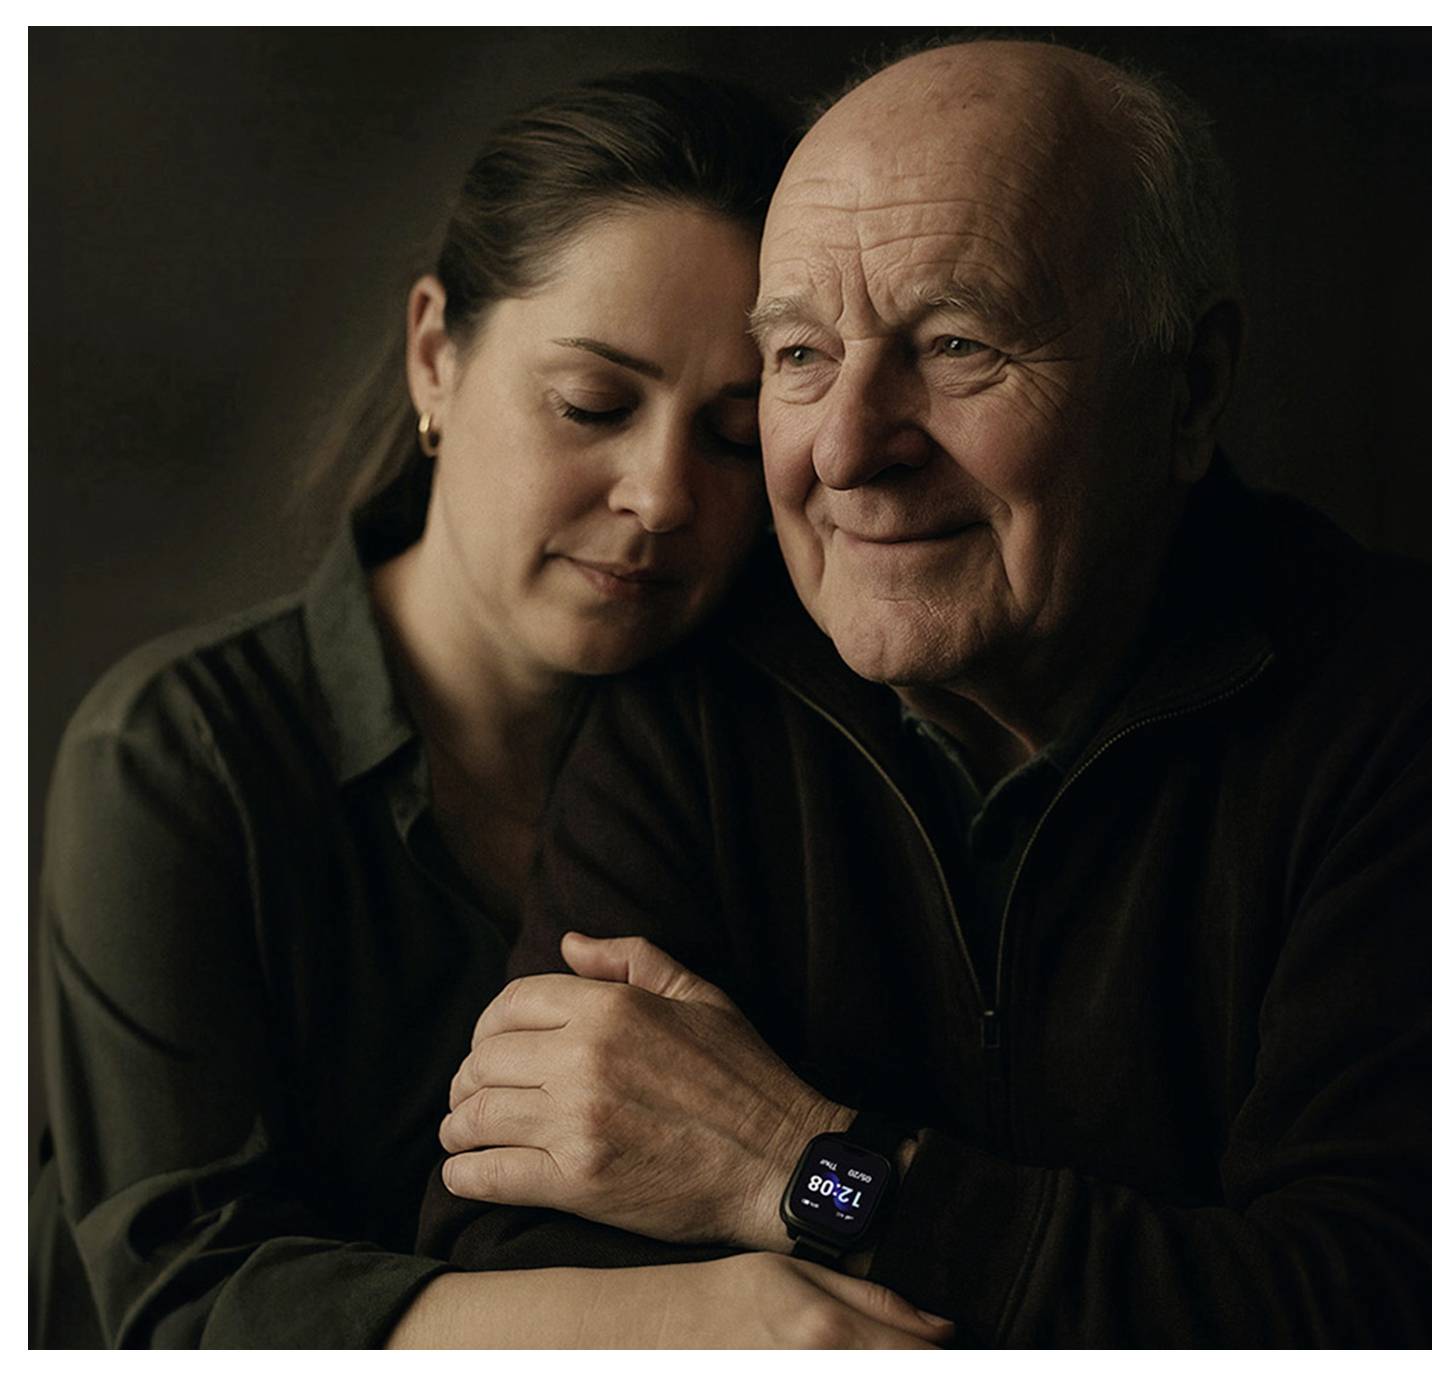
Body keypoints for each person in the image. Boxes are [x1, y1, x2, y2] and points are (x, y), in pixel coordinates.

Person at [424, 40, 1432, 1346]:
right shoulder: (696, 697)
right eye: (794, 357)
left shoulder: (1405, 707)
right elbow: (512, 1239)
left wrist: (792, 1165)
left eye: (954, 343)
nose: (845, 449)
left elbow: (1368, 1314)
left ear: (1184, 386)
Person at [32, 70, 954, 1350]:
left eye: (735, 434)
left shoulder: (771, 741)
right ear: (434, 356)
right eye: (592, 404)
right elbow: (179, 1295)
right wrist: (682, 1319)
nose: (662, 495)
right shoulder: (181, 756)